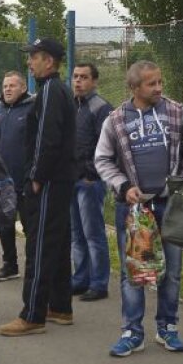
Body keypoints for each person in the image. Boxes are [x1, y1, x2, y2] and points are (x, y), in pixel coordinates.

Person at [94, 61, 183, 356]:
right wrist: (124, 187)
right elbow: (102, 159)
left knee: (173, 271)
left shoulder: (176, 112)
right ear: (134, 87)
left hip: (170, 205)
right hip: (135, 209)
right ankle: (132, 332)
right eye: (151, 84)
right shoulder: (115, 120)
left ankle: (168, 327)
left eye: (160, 82)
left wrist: (182, 182)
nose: (159, 88)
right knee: (132, 272)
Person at [0, 38, 77, 337]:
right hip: (60, 180)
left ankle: (32, 314)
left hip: (48, 181)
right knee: (57, 243)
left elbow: (47, 137)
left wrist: (36, 176)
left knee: (40, 245)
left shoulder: (49, 93)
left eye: (34, 58)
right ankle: (60, 306)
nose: (29, 63)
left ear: (49, 61)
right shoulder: (58, 90)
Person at [70, 62, 113, 302]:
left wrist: (90, 174)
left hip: (89, 181)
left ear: (94, 81)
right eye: (75, 76)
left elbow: (105, 147)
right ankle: (80, 279)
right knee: (76, 233)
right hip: (71, 179)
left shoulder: (102, 108)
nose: (78, 81)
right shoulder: (71, 105)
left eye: (84, 77)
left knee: (93, 234)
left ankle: (99, 283)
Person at [0, 71, 33, 282]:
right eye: (5, 85)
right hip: (1, 181)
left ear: (23, 88)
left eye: (12, 86)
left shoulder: (32, 109)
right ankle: (10, 265)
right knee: (5, 225)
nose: (7, 89)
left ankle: (33, 266)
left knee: (29, 226)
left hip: (24, 180)